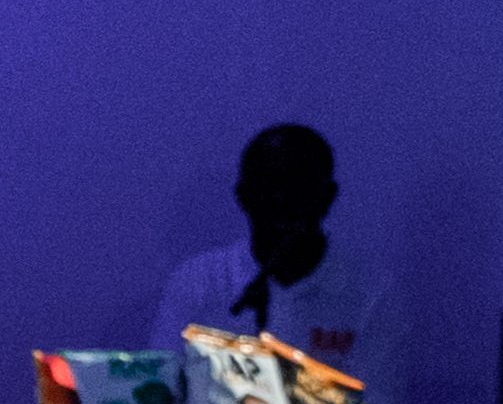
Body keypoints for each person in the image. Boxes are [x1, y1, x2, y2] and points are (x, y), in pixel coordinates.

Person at [150, 122, 385, 369]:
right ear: (243, 197)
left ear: (327, 197)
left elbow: (382, 403)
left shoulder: (371, 294)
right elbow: (163, 390)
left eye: (299, 189)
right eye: (270, 188)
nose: (283, 203)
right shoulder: (195, 284)